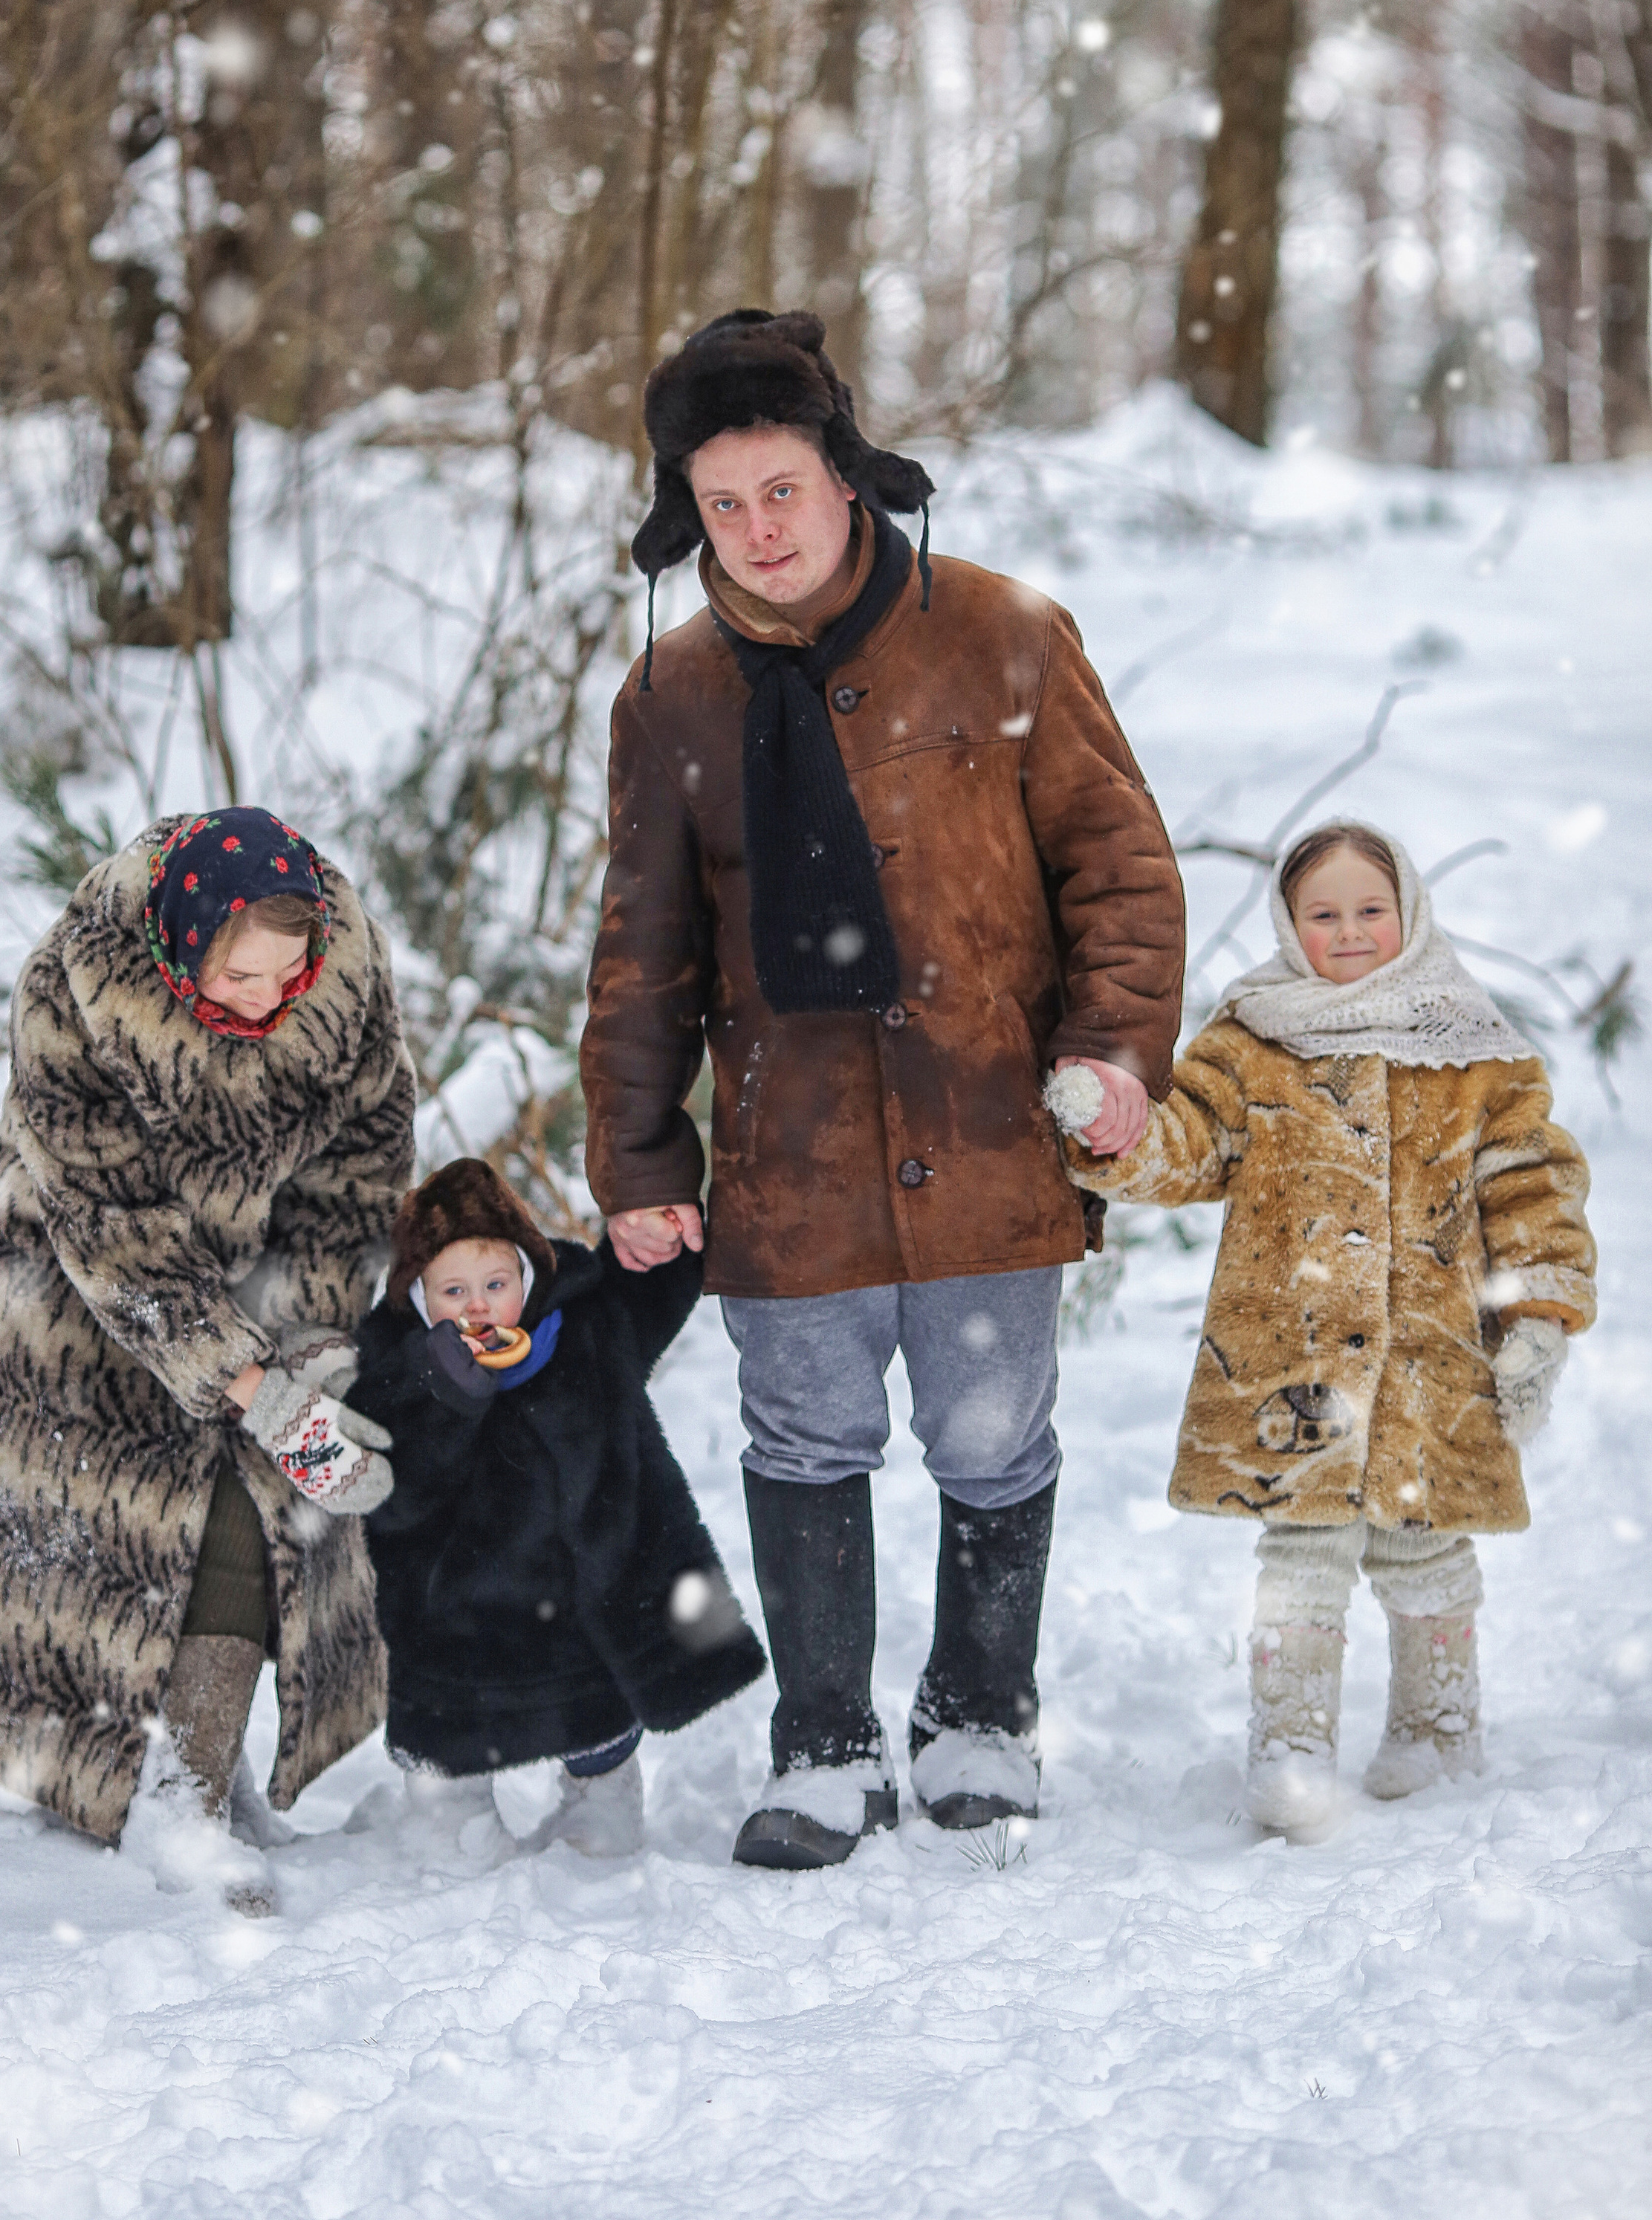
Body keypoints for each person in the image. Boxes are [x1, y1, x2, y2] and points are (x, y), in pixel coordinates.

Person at [580, 307, 1185, 1867]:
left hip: (987, 1130)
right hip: (794, 1153)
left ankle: (979, 1715)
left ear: (844, 475)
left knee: (990, 1440)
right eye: (719, 503)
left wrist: (1111, 1054)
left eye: (779, 487)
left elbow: (1117, 870)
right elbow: (639, 954)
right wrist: (641, 1166)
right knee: (801, 1440)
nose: (754, 529)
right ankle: (825, 1744)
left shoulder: (1000, 635)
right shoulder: (673, 698)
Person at [1049, 820, 1597, 1837]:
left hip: (1432, 1363)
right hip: (1293, 1365)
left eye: (1370, 911)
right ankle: (1290, 1749)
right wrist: (1112, 1132)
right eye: (1325, 914)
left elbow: (1530, 1183)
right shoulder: (1256, 1037)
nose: (1349, 932)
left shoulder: (1473, 1050)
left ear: (1411, 911)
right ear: (1291, 925)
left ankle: (1439, 1731)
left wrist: (1539, 1314)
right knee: (1299, 1555)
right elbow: (1191, 1146)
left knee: (1422, 1547)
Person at [0, 806, 412, 1897]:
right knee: (129, 1548)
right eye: (243, 976)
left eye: (288, 972)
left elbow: (359, 1171)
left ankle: (201, 1772)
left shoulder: (342, 979)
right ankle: (168, 1797)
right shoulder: (74, 992)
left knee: (270, 1510)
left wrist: (302, 1345)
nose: (270, 999)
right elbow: (109, 1221)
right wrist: (243, 1377)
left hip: (260, 1276)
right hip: (84, 1295)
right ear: (182, 943)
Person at [344, 1158, 765, 1860]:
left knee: (595, 1715)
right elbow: (394, 1494)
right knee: (450, 1736)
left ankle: (602, 1802)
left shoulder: (583, 1329)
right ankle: (456, 1816)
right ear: (418, 1301)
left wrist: (666, 1235)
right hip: (459, 1607)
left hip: (580, 1590)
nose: (478, 1307)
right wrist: (445, 1394)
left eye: (496, 1285)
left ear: (529, 1279)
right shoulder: (397, 1378)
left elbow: (646, 1288)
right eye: (453, 1291)